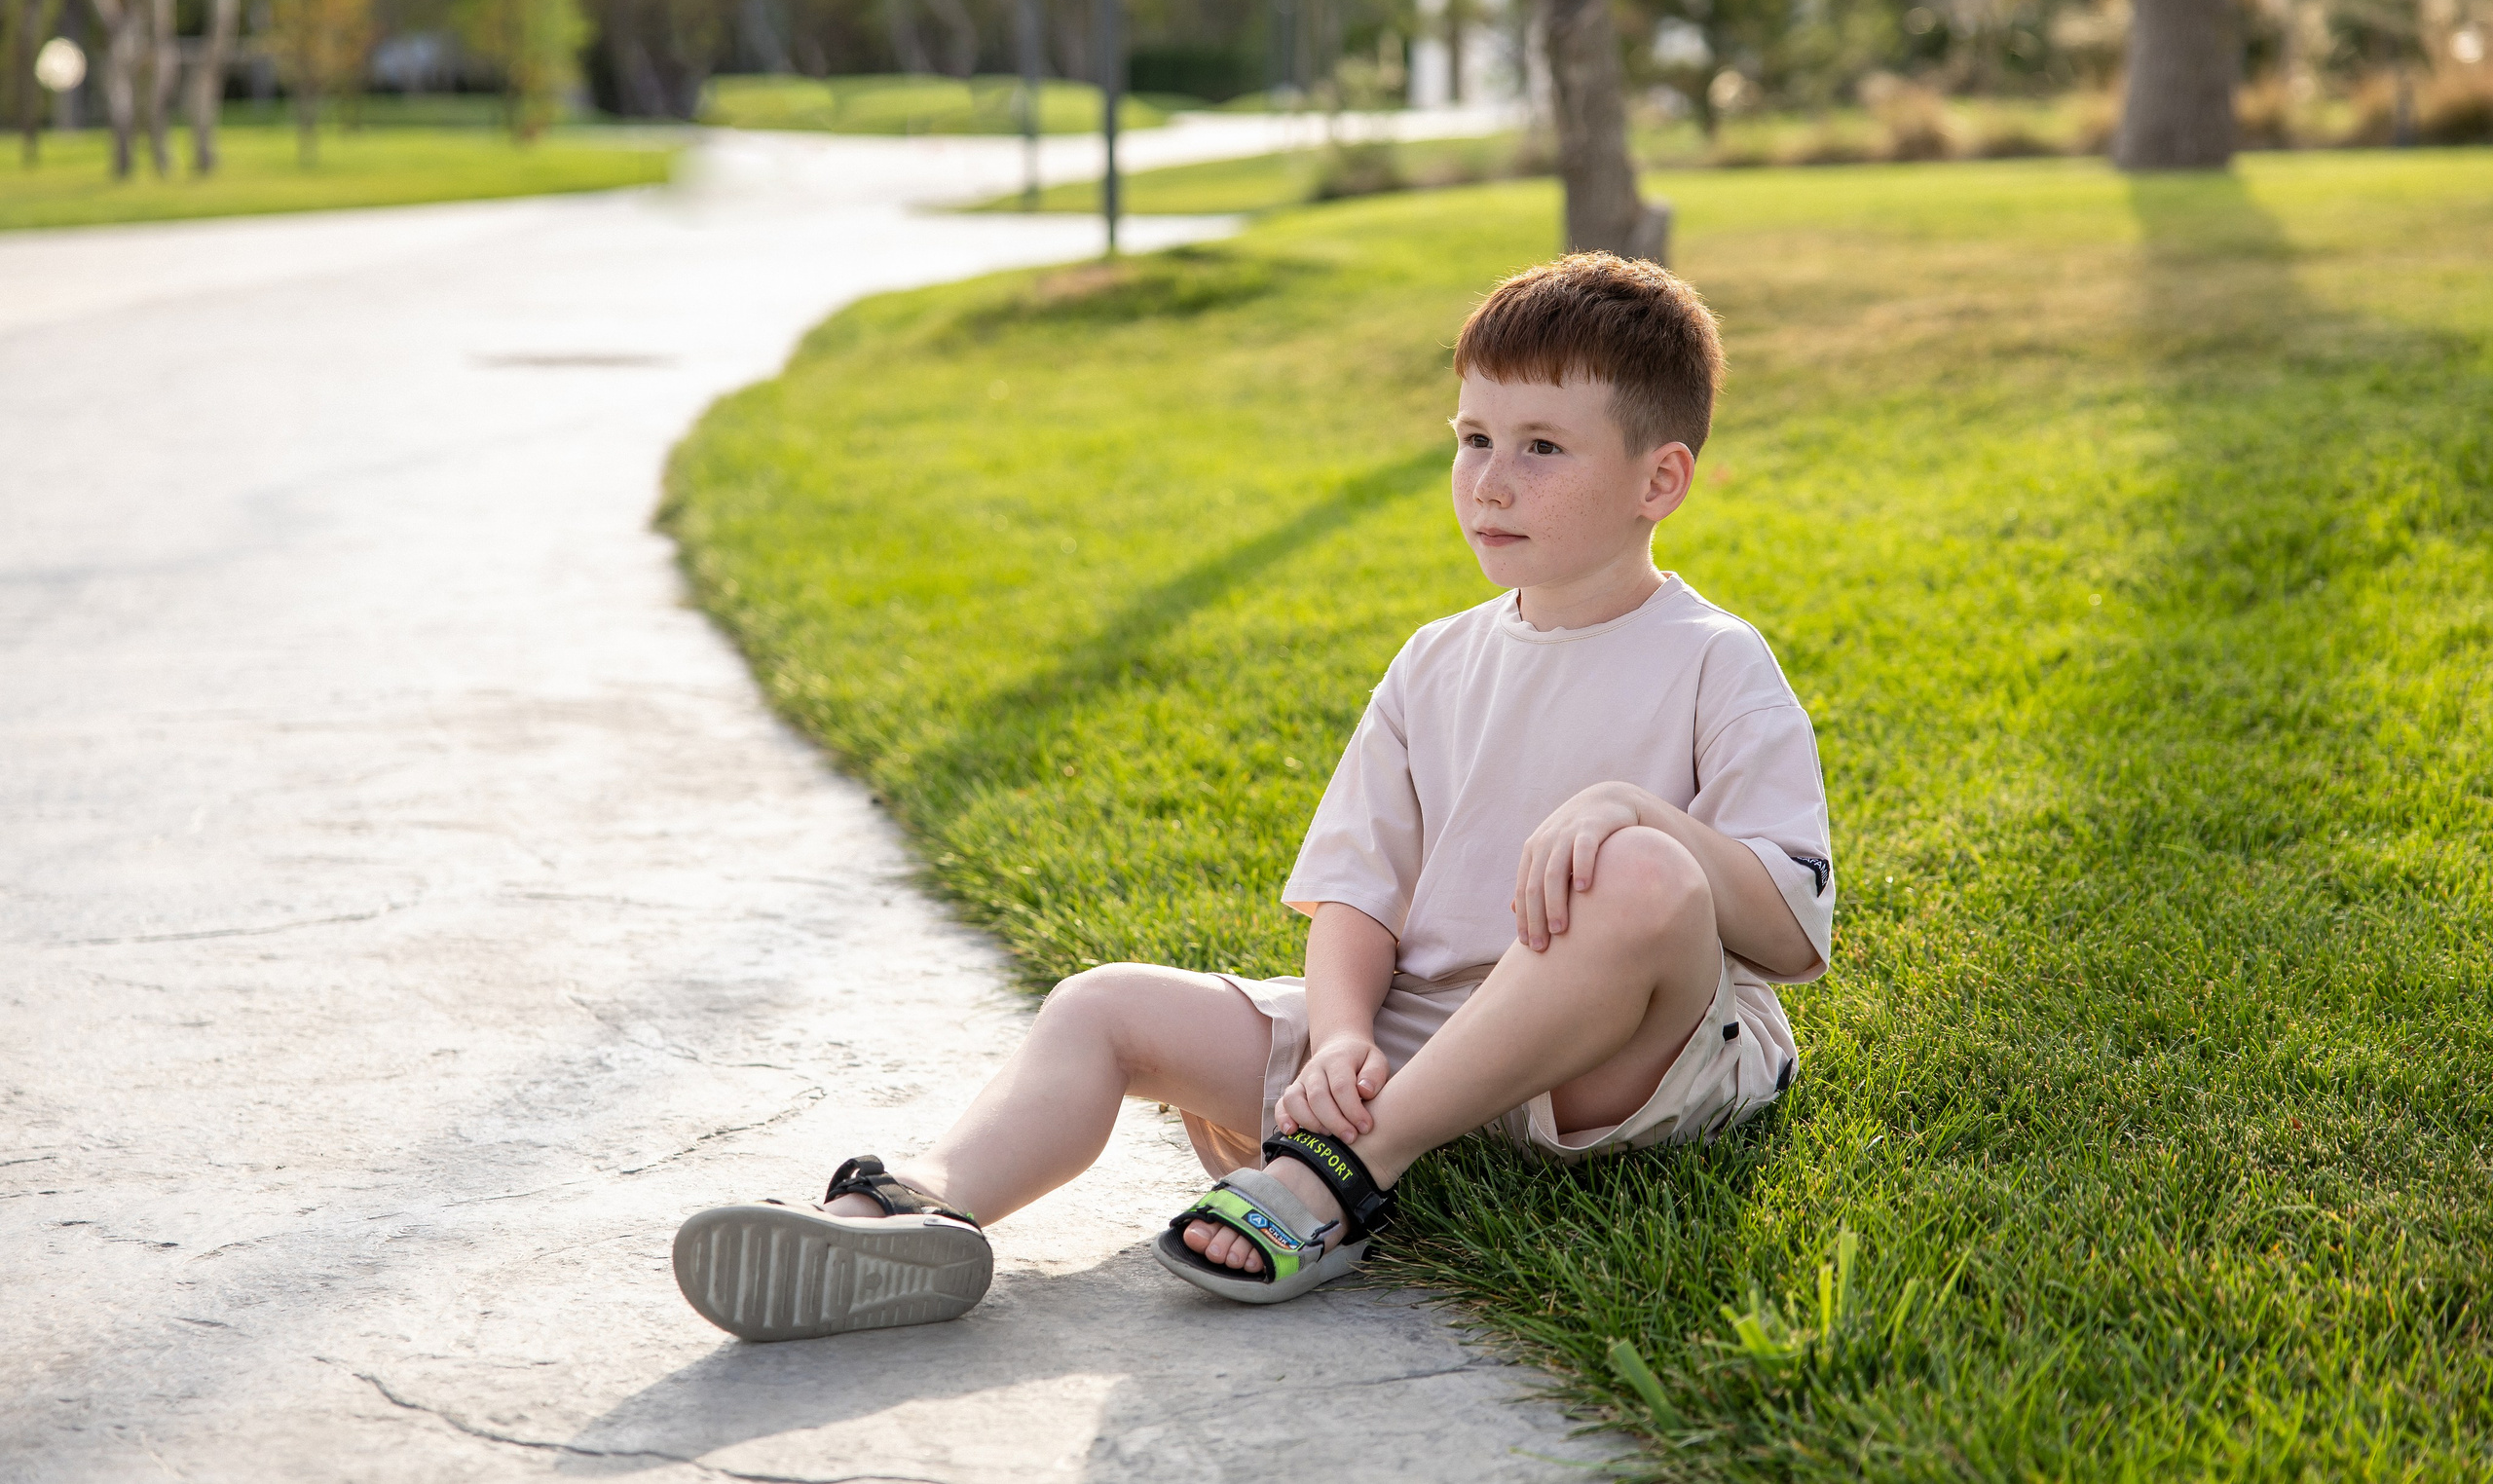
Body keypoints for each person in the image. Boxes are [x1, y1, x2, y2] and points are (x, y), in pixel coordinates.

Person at [671, 251, 1836, 1339]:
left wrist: (1639, 808)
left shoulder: (1711, 658)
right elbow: (1357, 894)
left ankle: (1346, 1173)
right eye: (1472, 437)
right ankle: (923, 1216)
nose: (1488, 478)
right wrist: (1333, 1039)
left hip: (1617, 1062)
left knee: (1639, 871)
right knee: (1101, 1002)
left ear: (1660, 479)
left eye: (1541, 447)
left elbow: (1788, 932)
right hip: (1419, 1038)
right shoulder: (1435, 661)